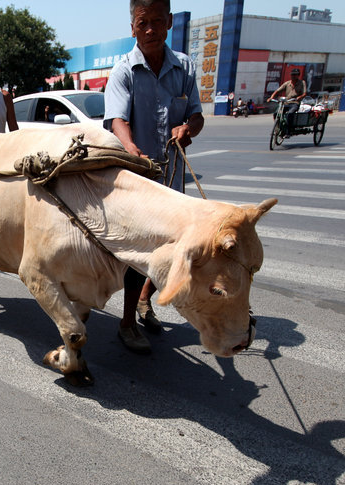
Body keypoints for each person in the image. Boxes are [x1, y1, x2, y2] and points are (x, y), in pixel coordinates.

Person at [104, 0, 204, 353]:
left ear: (169, 23)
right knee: (141, 254)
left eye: (157, 22)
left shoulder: (185, 67)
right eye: (142, 23)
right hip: (139, 181)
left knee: (171, 248)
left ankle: (145, 301)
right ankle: (128, 323)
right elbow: (117, 120)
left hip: (173, 182)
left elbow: (197, 115)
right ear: (132, 26)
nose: (149, 30)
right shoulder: (123, 72)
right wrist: (129, 146)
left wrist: (188, 128)